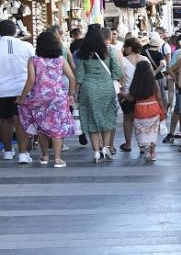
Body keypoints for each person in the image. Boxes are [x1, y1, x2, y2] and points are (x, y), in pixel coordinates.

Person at [16, 28, 75, 167]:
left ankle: (44, 156)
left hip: (39, 98)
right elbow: (72, 78)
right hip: (58, 98)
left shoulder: (34, 60)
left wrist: (22, 98)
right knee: (57, 128)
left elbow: (31, 80)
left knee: (42, 127)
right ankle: (58, 159)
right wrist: (71, 95)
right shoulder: (60, 60)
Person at [74, 24, 124, 163]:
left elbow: (79, 76)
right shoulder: (110, 51)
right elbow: (117, 72)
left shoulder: (82, 53)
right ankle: (106, 148)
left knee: (91, 120)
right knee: (107, 117)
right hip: (106, 88)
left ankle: (96, 151)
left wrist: (75, 92)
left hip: (88, 89)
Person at [0, 18, 34, 162]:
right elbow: (35, 66)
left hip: (2, 90)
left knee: (4, 121)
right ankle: (22, 154)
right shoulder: (26, 46)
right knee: (21, 121)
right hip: (22, 89)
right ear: (15, 31)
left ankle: (7, 151)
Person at [128, 59, 165, 163]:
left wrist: (122, 94)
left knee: (142, 132)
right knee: (153, 132)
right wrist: (163, 109)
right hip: (153, 108)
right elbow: (159, 97)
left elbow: (131, 98)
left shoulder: (136, 83)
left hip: (140, 110)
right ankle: (153, 152)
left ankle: (146, 149)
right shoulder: (154, 83)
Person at [118, 37, 145, 153]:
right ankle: (142, 145)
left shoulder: (123, 60)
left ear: (129, 47)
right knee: (142, 120)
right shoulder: (145, 59)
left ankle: (128, 144)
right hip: (142, 94)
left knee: (128, 120)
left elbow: (120, 77)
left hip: (128, 93)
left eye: (125, 46)